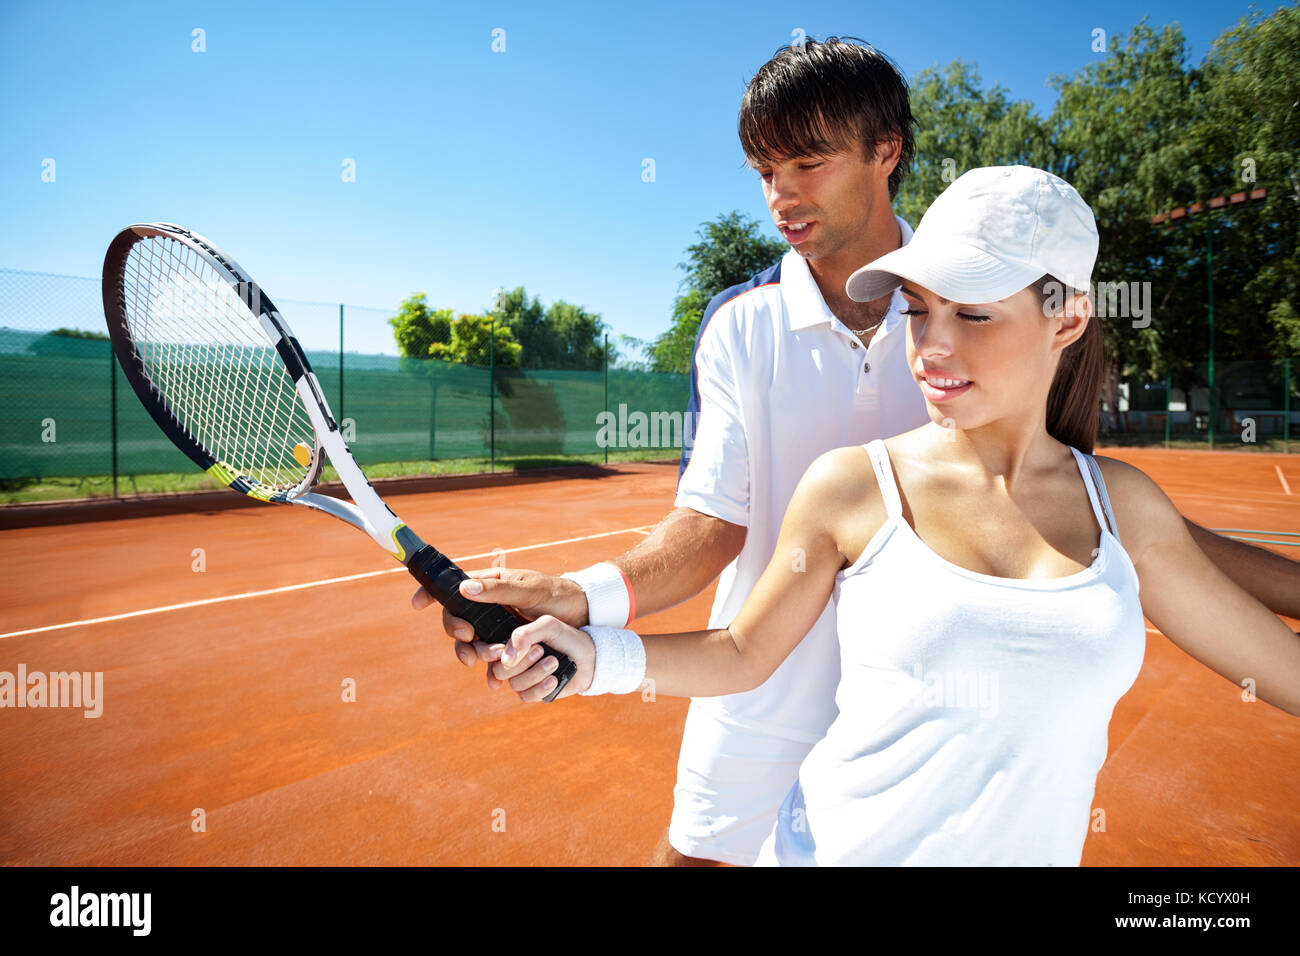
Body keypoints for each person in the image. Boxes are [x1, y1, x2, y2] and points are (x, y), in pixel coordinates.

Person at [414, 38, 1300, 866]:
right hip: (758, 682)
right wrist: (585, 605)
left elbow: (1108, 524)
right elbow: (717, 521)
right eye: (764, 170)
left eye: (808, 162)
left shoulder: (1017, 335)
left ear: (888, 152)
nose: (781, 195)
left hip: (932, 692)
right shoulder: (741, 326)